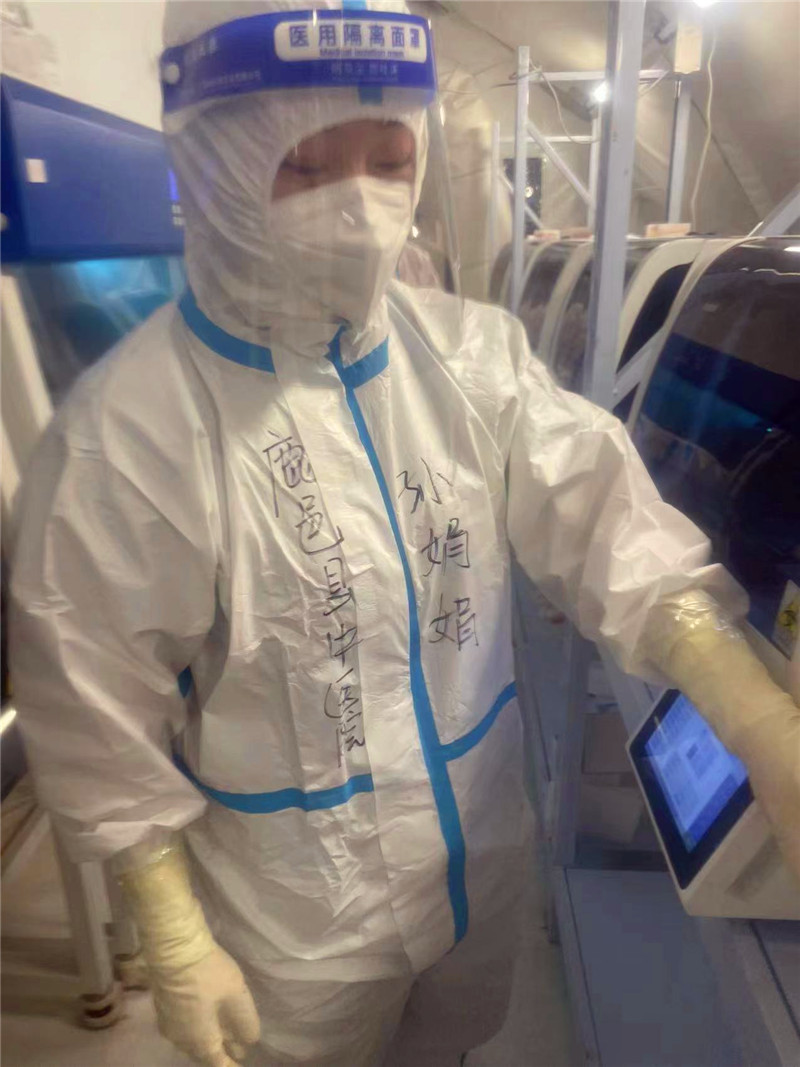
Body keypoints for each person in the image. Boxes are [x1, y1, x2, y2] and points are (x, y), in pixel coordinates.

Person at [10, 3, 800, 1066]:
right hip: (299, 921)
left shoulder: (468, 356)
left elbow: (600, 514)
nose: (359, 209)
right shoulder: (130, 432)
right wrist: (171, 925)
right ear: (214, 164)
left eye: (388, 162)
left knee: (448, 1045)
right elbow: (94, 698)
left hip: (477, 861)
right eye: (307, 166)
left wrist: (757, 717)